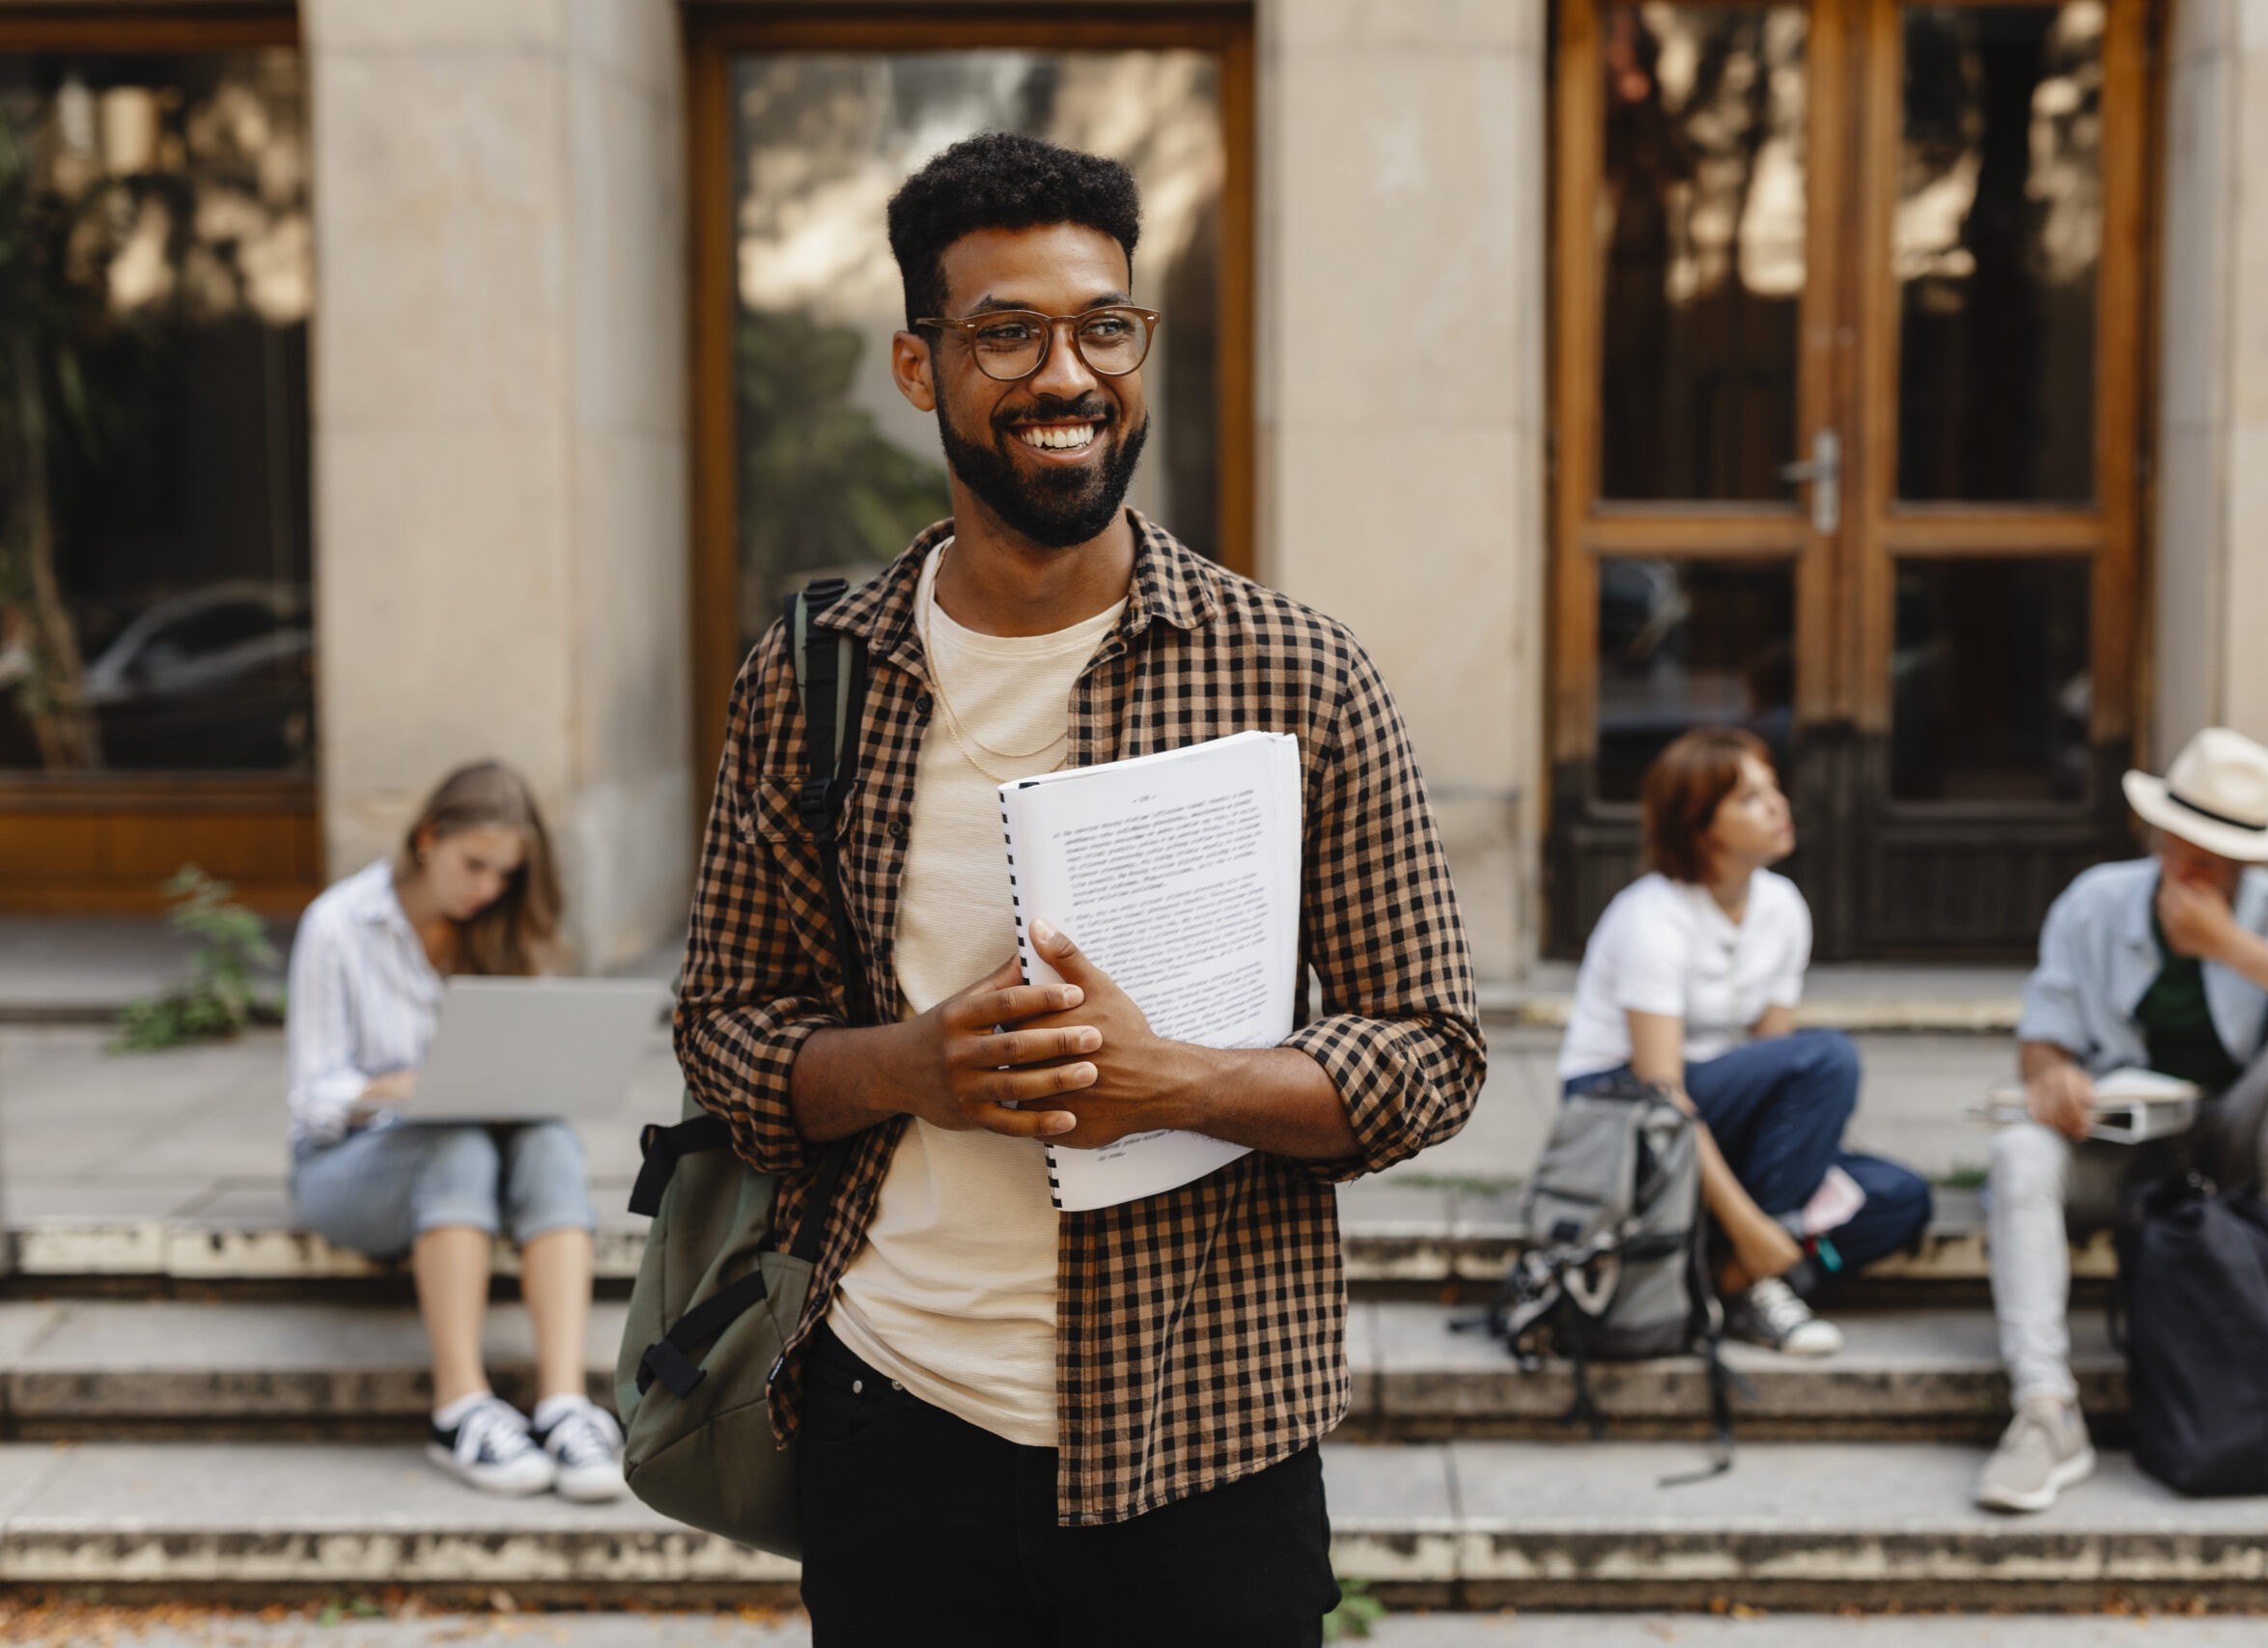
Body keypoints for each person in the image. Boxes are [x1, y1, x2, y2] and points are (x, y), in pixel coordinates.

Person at [671, 132, 1484, 1646]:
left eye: (1105, 325)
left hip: (1208, 1427)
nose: (1068, 374)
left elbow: (1433, 1050)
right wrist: (911, 1067)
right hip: (892, 1409)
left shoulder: (1293, 670)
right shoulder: (816, 670)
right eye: (1007, 333)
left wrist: (1179, 1079)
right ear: (923, 370)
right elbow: (721, 1022)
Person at [1977, 727, 2268, 1513]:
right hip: (2123, 1148)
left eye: (2212, 854)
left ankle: (2254, 1292)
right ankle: (2044, 1407)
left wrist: (2233, 946)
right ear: (2157, 829)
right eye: (2179, 842)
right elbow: (2042, 1038)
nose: (2188, 865)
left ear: (2252, 859)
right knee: (2018, 1153)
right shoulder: (2096, 901)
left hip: (2239, 1163)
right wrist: (2056, 1077)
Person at [285, 760, 623, 1502]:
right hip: (347, 1166)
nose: (488, 889)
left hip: (478, 1153)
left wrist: (513, 1086)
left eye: (505, 874)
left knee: (549, 1140)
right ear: (426, 839)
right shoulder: (339, 924)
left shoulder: (505, 929)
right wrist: (405, 1089)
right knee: (453, 1142)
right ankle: (459, 1405)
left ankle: (564, 1402)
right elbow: (314, 1100)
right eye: (475, 865)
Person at [1555, 727, 1933, 1356]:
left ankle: (1731, 1277)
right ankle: (1758, 1272)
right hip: (1627, 1119)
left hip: (1712, 1110)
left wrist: (1770, 1210)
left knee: (1900, 1199)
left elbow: (1774, 1073)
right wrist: (1749, 1222)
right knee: (1829, 1057)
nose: (1780, 805)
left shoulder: (1783, 908)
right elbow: (1662, 1090)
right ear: (1702, 828)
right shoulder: (1651, 917)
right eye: (1753, 797)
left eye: (1774, 788)